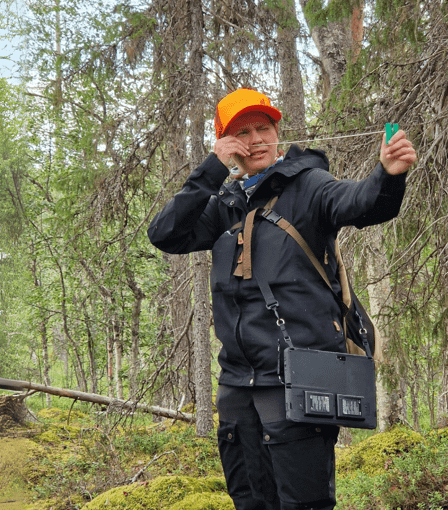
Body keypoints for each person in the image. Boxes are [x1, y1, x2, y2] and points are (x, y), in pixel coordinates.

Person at [147, 88, 416, 510]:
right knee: (249, 502)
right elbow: (165, 234)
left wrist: (388, 175)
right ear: (224, 143)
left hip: (299, 379)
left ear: (277, 132)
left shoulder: (308, 186)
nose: (254, 140)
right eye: (241, 133)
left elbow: (360, 203)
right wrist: (212, 170)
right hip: (237, 385)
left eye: (263, 129)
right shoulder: (225, 204)